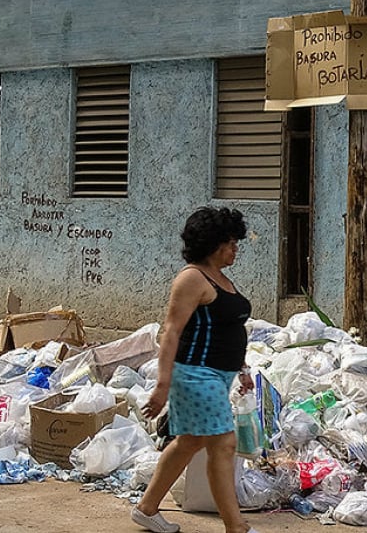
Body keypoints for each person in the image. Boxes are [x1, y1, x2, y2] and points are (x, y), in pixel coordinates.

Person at [131, 206, 259, 533]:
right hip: (195, 375)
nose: (235, 248)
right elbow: (172, 331)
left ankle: (146, 509)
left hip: (218, 375)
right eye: (230, 242)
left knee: (189, 442)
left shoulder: (221, 279)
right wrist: (162, 385)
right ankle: (236, 527)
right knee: (224, 444)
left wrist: (241, 367)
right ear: (213, 243)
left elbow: (225, 328)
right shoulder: (191, 278)